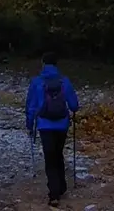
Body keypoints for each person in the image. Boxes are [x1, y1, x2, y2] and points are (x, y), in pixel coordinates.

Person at [24, 52, 80, 206]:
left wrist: (29, 125)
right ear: (56, 64)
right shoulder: (64, 81)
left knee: (50, 158)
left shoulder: (36, 82)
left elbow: (31, 107)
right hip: (62, 124)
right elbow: (74, 105)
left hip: (45, 125)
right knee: (58, 153)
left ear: (43, 63)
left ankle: (54, 193)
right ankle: (61, 186)